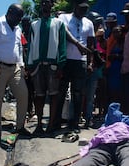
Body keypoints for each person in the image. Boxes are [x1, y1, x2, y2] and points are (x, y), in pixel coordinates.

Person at [53, 102, 129, 166]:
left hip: (106, 142)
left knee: (94, 157)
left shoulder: (105, 127)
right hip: (125, 142)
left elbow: (95, 141)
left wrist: (85, 152)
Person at [0, 3, 30, 144]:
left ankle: (20, 126)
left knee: (23, 95)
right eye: (18, 16)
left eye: (21, 18)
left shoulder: (17, 29)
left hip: (15, 68)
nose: (19, 20)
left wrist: (21, 66)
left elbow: (19, 49)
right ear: (10, 12)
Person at [26, 0, 67, 134]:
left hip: (53, 65)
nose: (45, 5)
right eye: (43, 2)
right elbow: (30, 45)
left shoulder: (58, 23)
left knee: (54, 94)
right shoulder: (34, 24)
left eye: (48, 2)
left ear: (51, 5)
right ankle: (38, 124)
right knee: (39, 95)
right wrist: (29, 64)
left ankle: (50, 124)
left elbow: (62, 45)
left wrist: (61, 64)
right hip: (38, 65)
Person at [57, 0, 95, 133]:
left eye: (85, 9)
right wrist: (78, 44)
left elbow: (90, 45)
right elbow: (64, 32)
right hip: (66, 61)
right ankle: (56, 122)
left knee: (78, 94)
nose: (83, 11)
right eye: (81, 8)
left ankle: (74, 123)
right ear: (75, 7)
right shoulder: (64, 17)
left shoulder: (89, 23)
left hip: (81, 62)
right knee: (61, 91)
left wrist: (90, 63)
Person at [83, 11, 105, 128]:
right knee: (81, 95)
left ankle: (88, 119)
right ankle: (79, 118)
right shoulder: (85, 33)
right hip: (83, 67)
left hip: (94, 69)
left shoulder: (98, 36)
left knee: (90, 96)